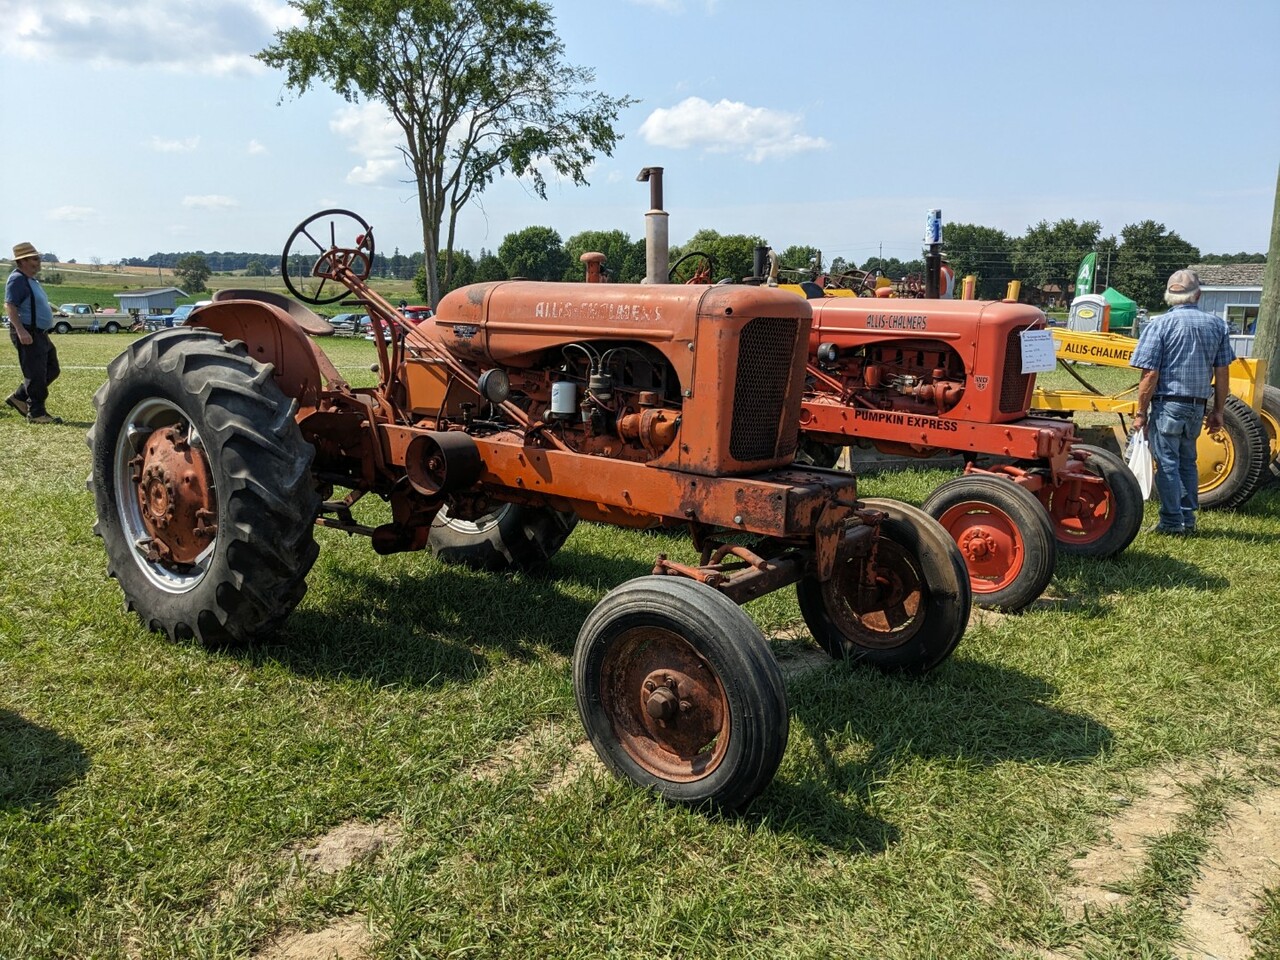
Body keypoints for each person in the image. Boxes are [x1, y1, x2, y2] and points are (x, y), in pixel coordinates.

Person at [1129, 269, 1233, 535]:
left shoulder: (1159, 325)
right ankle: (1187, 518)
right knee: (1188, 461)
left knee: (1167, 463)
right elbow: (1222, 372)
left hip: (1169, 405)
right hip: (1197, 405)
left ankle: (1172, 521)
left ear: (1169, 295)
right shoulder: (1217, 326)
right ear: (1197, 294)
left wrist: (1140, 413)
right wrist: (1218, 410)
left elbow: (1150, 374)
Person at [5, 241, 62, 424]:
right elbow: (10, 305)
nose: (38, 262)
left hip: (39, 333)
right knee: (36, 373)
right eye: (34, 259)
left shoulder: (30, 280)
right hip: (28, 332)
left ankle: (19, 397)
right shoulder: (17, 279)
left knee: (52, 368)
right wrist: (21, 330)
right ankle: (37, 413)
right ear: (22, 261)